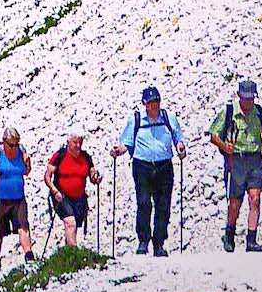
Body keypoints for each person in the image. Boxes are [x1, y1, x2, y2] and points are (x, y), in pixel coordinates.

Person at [114, 86, 187, 256]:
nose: (154, 106)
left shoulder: (169, 118)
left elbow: (178, 137)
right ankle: (143, 240)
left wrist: (180, 147)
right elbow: (127, 142)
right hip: (142, 166)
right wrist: (120, 150)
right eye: (151, 103)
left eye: (157, 102)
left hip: (164, 166)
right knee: (144, 202)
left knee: (163, 205)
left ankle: (159, 242)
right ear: (144, 104)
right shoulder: (136, 120)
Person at [208, 79, 262, 253]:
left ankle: (251, 239)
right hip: (236, 160)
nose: (248, 102)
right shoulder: (229, 112)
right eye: (246, 98)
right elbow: (213, 135)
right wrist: (225, 147)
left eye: (251, 98)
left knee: (255, 198)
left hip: (255, 159)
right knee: (235, 203)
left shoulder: (259, 113)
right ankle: (229, 234)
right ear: (239, 96)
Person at [0, 128, 34, 268]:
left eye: (16, 144)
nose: (14, 148)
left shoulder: (21, 151)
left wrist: (28, 164)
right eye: (11, 145)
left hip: (18, 197)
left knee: (23, 225)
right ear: (4, 142)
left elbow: (26, 172)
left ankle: (29, 255)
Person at [44, 134, 100, 249]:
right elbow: (47, 176)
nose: (78, 145)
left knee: (73, 227)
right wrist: (54, 191)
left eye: (80, 142)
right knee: (71, 223)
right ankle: (74, 254)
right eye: (75, 142)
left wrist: (96, 178)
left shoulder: (86, 157)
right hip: (61, 196)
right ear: (68, 142)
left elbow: (92, 175)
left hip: (79, 198)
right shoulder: (60, 155)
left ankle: (67, 253)